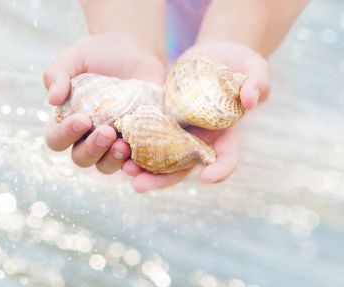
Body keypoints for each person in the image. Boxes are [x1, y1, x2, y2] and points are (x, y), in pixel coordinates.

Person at [43, 0, 309, 193]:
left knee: (233, 179)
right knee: (113, 167)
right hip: (136, 19)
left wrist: (239, 35)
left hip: (255, 24)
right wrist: (124, 35)